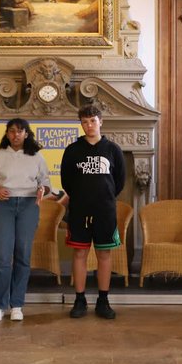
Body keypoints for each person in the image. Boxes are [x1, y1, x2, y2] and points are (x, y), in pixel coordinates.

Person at [0, 119, 51, 322]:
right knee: (2, 256)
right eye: (12, 131)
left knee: (22, 254)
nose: (16, 135)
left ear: (26, 134)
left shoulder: (36, 157)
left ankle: (17, 304)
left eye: (20, 131)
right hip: (4, 205)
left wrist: (42, 190)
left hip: (29, 206)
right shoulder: (0, 156)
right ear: (7, 134)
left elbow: (46, 184)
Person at [61, 104, 126, 320]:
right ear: (81, 124)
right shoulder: (72, 150)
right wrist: (82, 197)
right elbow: (66, 181)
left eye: (93, 121)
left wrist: (102, 197)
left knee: (104, 254)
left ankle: (103, 300)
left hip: (105, 210)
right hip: (79, 210)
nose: (89, 125)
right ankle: (79, 300)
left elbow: (120, 182)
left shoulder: (113, 149)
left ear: (101, 122)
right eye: (85, 122)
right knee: (79, 254)